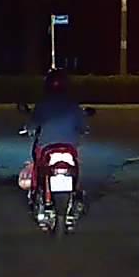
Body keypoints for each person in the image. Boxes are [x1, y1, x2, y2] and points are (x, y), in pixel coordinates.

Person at [27, 68, 90, 212]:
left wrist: (29, 129)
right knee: (76, 164)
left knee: (37, 162)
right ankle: (76, 192)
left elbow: (32, 124)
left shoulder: (42, 104)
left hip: (46, 145)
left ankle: (36, 191)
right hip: (69, 146)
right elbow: (83, 127)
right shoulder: (73, 105)